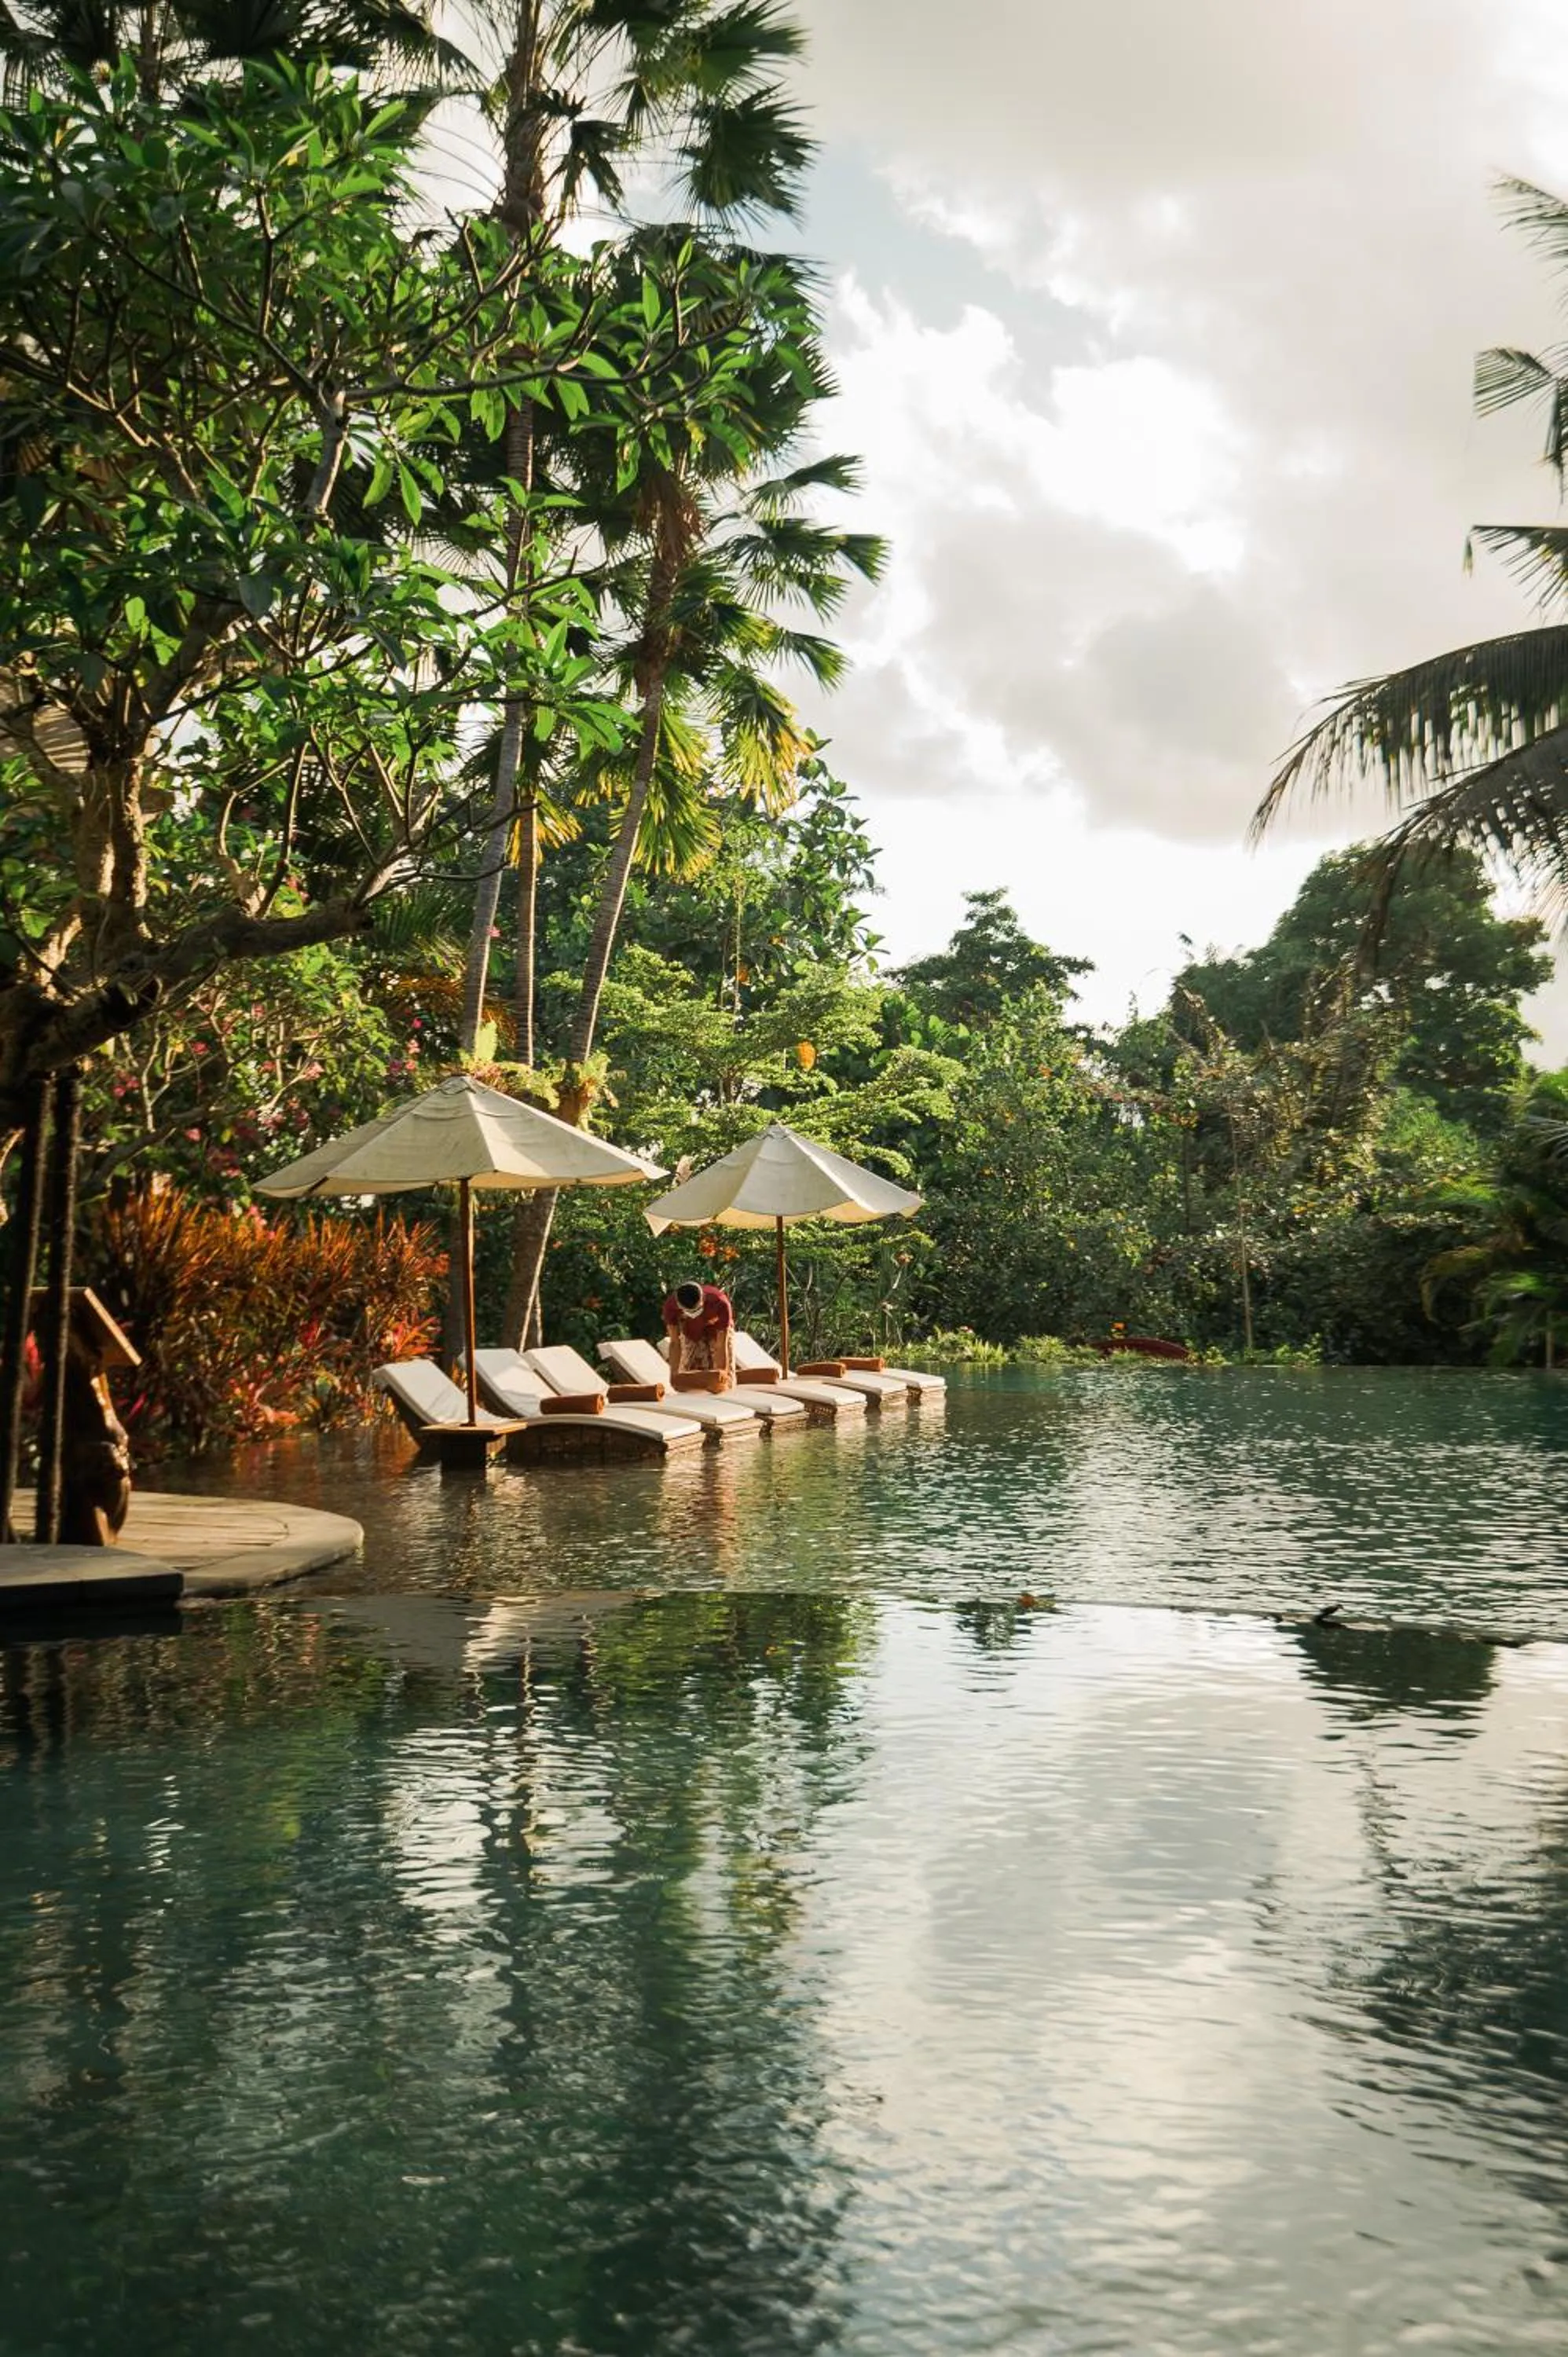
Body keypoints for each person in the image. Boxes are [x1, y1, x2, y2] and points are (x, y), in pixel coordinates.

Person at [662, 1278, 735, 1390]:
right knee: (687, 1378)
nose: (694, 1314)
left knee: (724, 1380)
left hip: (717, 1330)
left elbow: (721, 1345)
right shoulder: (671, 1307)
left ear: (703, 1298)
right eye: (689, 1312)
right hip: (691, 1331)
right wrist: (674, 1375)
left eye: (696, 1309)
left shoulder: (720, 1303)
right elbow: (675, 1343)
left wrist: (721, 1378)